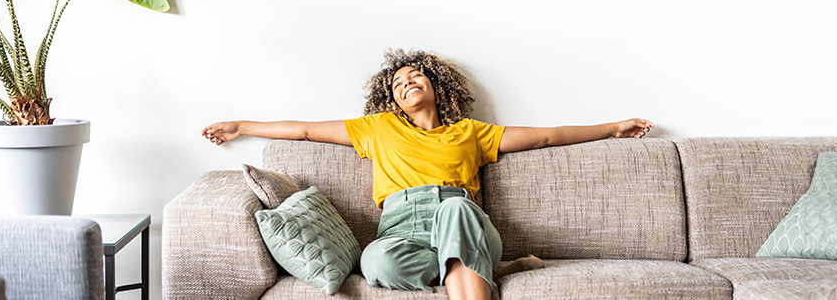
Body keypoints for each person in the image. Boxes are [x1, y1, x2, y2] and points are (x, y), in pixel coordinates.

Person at [202, 49, 653, 300]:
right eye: (398, 84)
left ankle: (476, 267)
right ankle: (497, 270)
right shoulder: (378, 128)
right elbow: (301, 130)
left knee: (456, 204)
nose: (407, 83)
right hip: (401, 227)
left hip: (458, 216)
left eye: (416, 76)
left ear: (436, 87)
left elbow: (547, 137)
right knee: (374, 263)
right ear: (393, 101)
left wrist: (613, 128)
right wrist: (241, 125)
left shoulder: (469, 133)